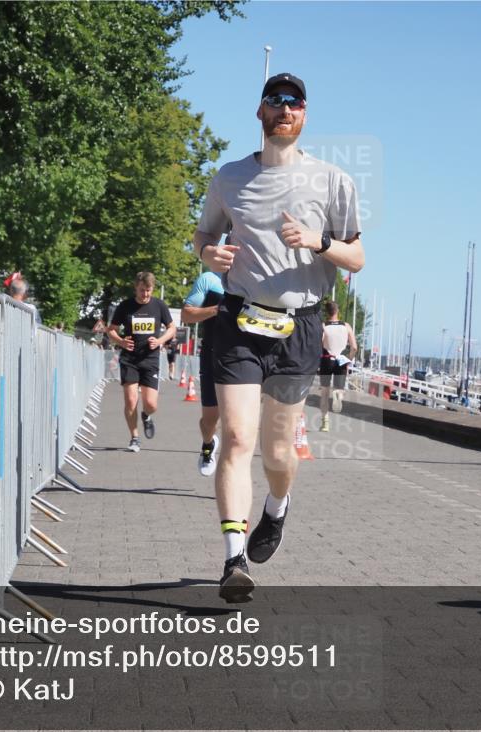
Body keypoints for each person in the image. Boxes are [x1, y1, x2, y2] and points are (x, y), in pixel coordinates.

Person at [193, 72, 364, 602]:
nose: (284, 110)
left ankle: (277, 506)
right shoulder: (229, 177)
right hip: (240, 320)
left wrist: (319, 241)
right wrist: (208, 254)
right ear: (260, 112)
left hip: (301, 325)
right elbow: (204, 235)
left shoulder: (333, 181)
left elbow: (357, 257)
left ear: (305, 115)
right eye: (275, 102)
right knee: (238, 438)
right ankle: (233, 559)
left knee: (276, 451)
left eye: (294, 103)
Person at [107, 272, 176, 453]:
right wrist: (121, 341)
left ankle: (146, 415)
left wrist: (160, 341)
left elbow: (172, 328)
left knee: (151, 404)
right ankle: (135, 437)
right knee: (131, 400)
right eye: (142, 290)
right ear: (135, 288)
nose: (145, 294)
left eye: (148, 290)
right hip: (129, 358)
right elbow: (111, 330)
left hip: (150, 358)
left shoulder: (159, 306)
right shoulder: (125, 306)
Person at [182, 270, 226, 477]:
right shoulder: (210, 280)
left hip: (245, 357)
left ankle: (231, 476)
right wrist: (218, 309)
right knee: (209, 421)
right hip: (212, 354)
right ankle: (208, 446)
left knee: (237, 426)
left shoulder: (256, 281)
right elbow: (187, 315)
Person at [318, 300, 357, 431]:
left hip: (327, 359)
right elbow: (354, 347)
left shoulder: (323, 326)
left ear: (326, 312)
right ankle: (338, 395)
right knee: (339, 388)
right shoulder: (346, 326)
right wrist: (348, 359)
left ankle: (325, 422)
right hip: (341, 359)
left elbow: (319, 345)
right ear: (337, 311)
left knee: (324, 393)